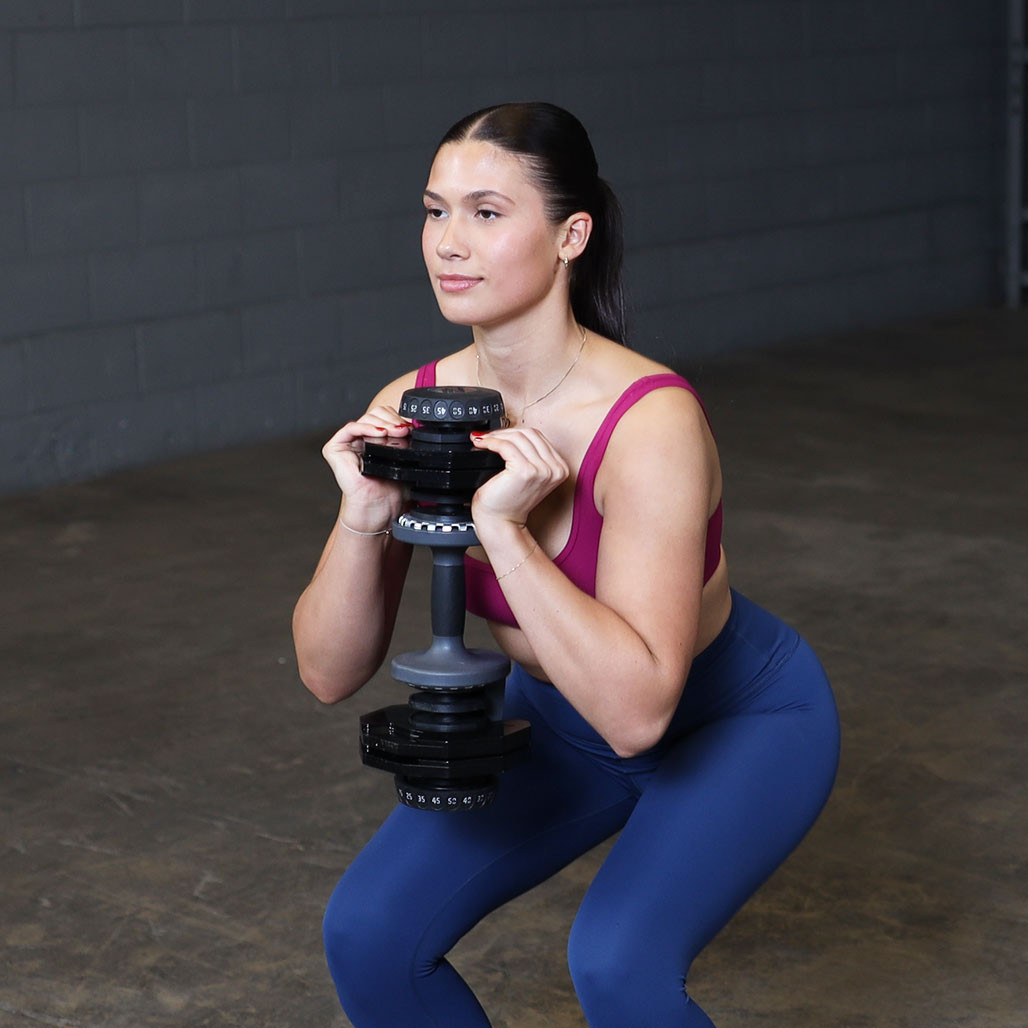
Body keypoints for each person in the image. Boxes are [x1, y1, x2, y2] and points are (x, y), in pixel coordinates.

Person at [292, 102, 840, 1028]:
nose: (448, 244)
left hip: (734, 723)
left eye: (488, 213)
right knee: (370, 933)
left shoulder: (649, 422)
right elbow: (327, 672)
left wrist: (501, 530)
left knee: (619, 964)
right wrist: (364, 518)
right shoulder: (414, 405)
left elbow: (636, 716)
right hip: (555, 722)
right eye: (435, 211)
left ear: (570, 235)